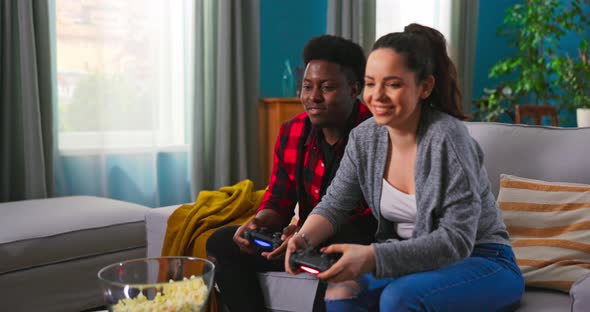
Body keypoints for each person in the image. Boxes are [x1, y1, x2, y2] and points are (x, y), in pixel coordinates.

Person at [285, 24, 525, 311]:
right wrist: (302, 238)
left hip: (482, 259)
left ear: (425, 87)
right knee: (342, 290)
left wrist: (374, 256)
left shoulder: (448, 139)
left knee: (400, 298)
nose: (378, 96)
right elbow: (335, 204)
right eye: (371, 83)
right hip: (412, 261)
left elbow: (456, 240)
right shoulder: (364, 138)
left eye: (394, 84)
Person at [206, 35, 377, 312]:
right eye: (307, 86)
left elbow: (372, 220)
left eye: (327, 87)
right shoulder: (292, 131)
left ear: (354, 89)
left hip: (346, 244)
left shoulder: (373, 134)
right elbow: (278, 200)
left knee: (341, 241)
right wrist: (259, 222)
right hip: (300, 244)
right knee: (223, 242)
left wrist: (306, 233)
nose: (313, 97)